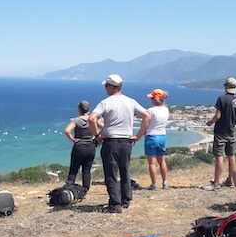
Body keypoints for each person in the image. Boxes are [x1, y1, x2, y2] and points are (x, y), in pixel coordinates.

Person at [88, 74, 151, 213]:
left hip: (110, 142)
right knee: (125, 169)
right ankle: (126, 199)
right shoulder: (131, 102)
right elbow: (147, 116)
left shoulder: (106, 102)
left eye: (106, 86)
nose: (105, 89)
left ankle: (115, 204)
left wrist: (97, 135)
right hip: (126, 141)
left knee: (111, 172)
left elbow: (92, 118)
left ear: (110, 87)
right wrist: (138, 136)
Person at [204, 77, 236, 191]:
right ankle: (230, 180)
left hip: (221, 131)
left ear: (225, 86)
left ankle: (216, 183)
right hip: (232, 131)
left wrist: (210, 122)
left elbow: (217, 116)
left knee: (219, 156)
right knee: (231, 156)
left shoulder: (221, 99)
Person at [64, 101, 104, 192]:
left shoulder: (76, 120)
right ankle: (85, 189)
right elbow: (105, 127)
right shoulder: (92, 120)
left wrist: (73, 139)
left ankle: (69, 188)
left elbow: (67, 131)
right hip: (91, 146)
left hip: (79, 147)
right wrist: (98, 136)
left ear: (79, 110)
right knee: (87, 169)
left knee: (74, 168)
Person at [144, 89, 170, 190]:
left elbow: (145, 121)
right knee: (162, 161)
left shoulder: (151, 110)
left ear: (156, 99)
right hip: (162, 136)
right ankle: (165, 182)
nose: (151, 100)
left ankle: (154, 184)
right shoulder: (166, 110)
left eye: (152, 98)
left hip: (151, 136)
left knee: (152, 163)